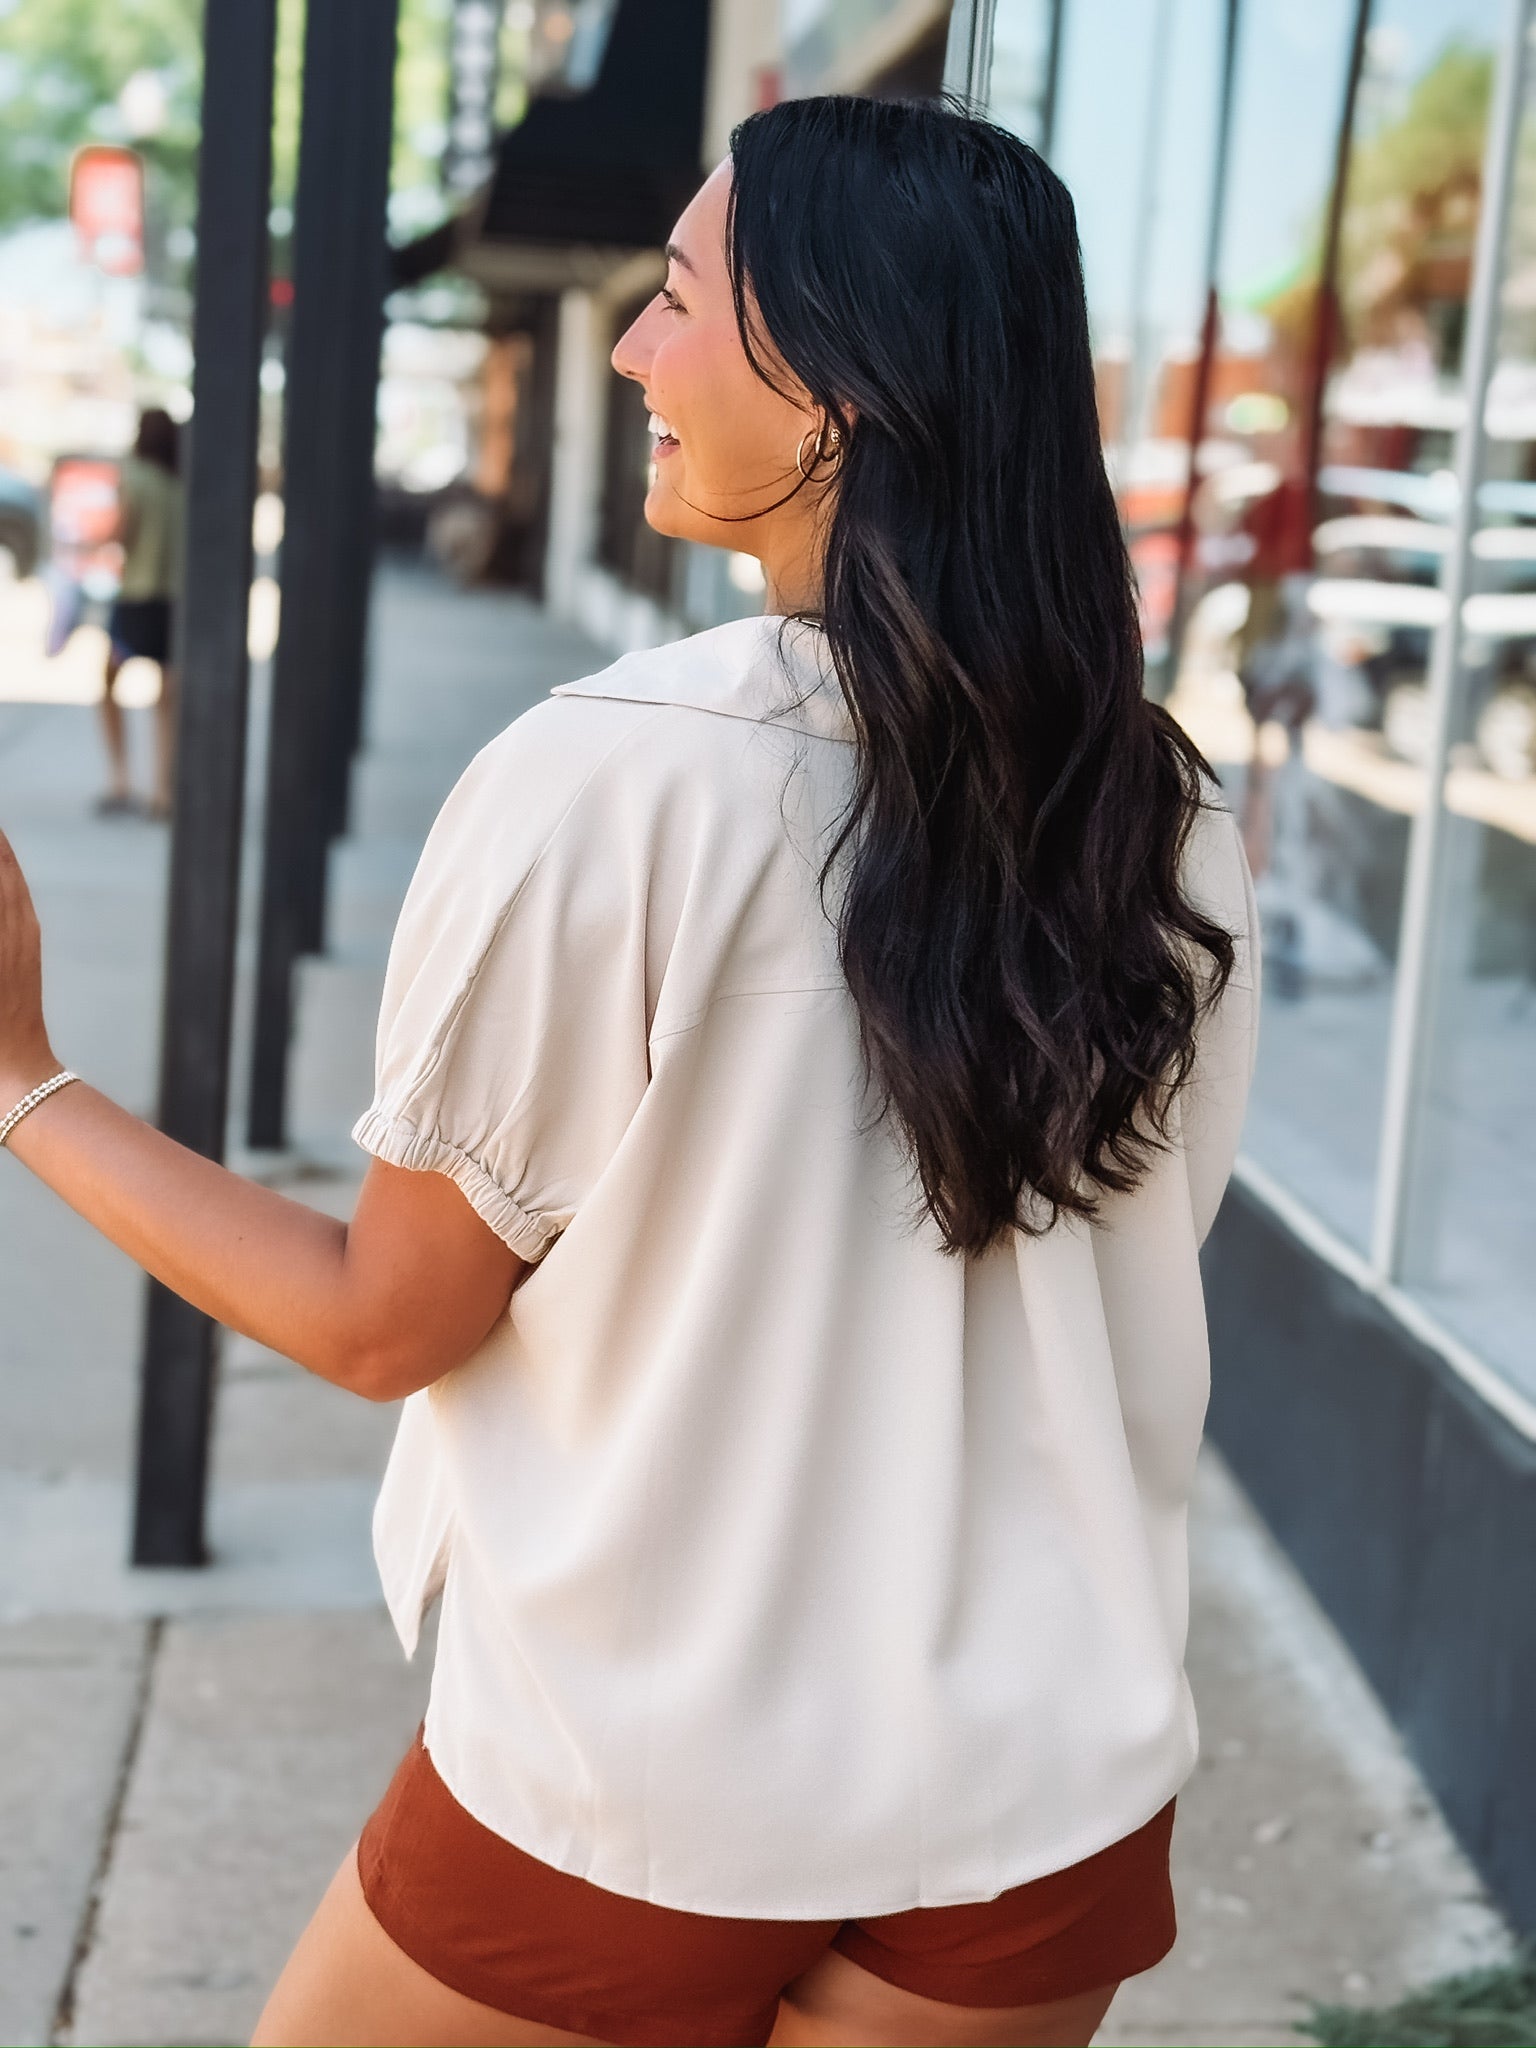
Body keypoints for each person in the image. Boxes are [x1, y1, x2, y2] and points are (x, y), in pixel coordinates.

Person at [0, 97, 1258, 2048]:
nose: (625, 350)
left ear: (840, 382)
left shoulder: (625, 772)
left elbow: (383, 1320)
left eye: (677, 300)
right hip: (1044, 1807)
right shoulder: (1159, 803)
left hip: (646, 1793)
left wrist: (24, 1078)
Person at [98, 407, 184, 819]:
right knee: (167, 695)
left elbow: (122, 530)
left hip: (137, 596)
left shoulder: (134, 476)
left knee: (109, 682)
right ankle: (164, 790)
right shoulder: (180, 482)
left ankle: (120, 778)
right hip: (174, 599)